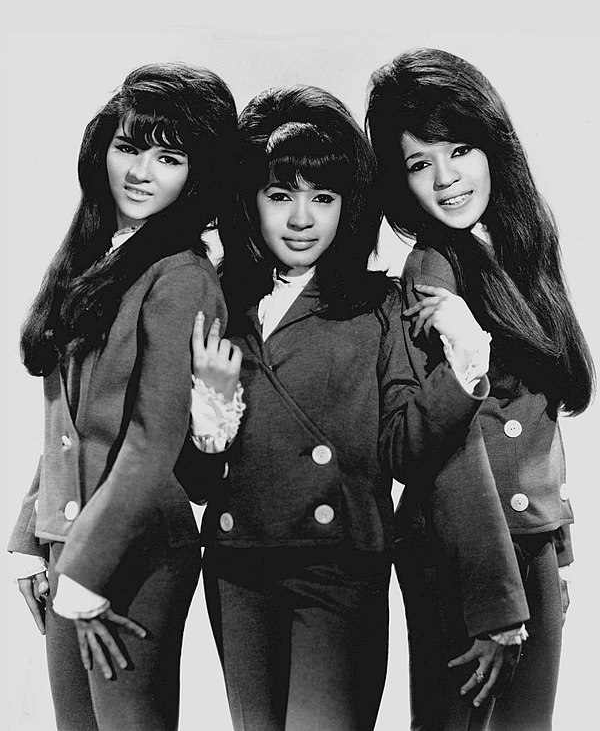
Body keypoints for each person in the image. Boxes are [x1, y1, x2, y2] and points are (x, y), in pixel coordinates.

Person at [177, 83, 507, 731]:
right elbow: (191, 479)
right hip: (237, 563)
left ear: (346, 205)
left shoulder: (378, 308)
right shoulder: (216, 303)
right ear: (250, 201)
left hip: (340, 565)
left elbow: (404, 452)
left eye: (322, 198)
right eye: (281, 195)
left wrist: (466, 363)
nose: (302, 219)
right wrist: (212, 409)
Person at [366, 47, 595, 731]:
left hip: (530, 540)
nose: (445, 179)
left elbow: (544, 412)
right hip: (460, 552)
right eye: (417, 162)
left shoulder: (523, 243)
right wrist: (495, 600)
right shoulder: (432, 269)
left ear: (493, 146)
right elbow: (446, 455)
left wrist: (559, 546)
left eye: (458, 149)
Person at [8, 62, 237, 731]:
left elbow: (152, 438)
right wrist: (31, 536)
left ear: (198, 176)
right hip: (69, 539)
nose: (142, 171)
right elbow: (68, 428)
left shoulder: (182, 276)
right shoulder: (96, 259)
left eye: (169, 157)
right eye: (130, 147)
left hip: (138, 548)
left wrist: (81, 569)